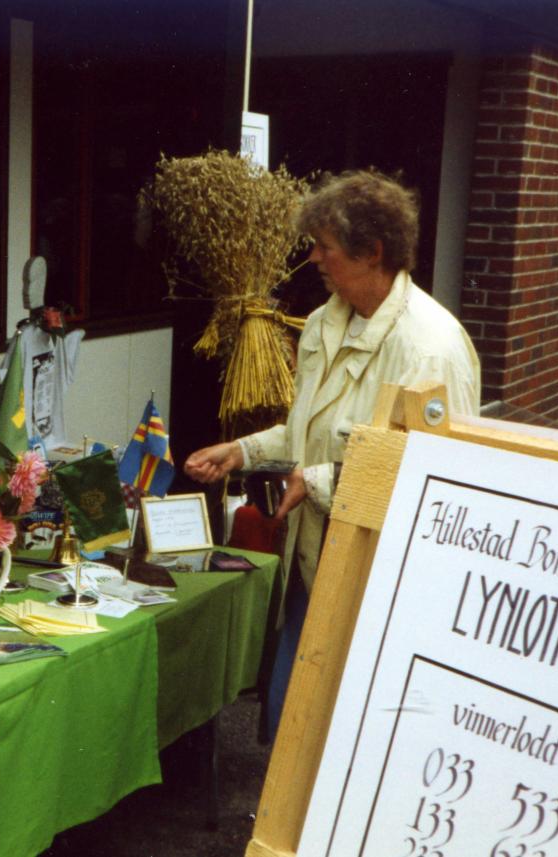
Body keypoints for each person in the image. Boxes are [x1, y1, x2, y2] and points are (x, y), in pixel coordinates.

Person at [184, 170, 480, 739]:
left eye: (325, 246)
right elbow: (309, 432)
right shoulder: (324, 322)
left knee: (350, 735)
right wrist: (242, 451)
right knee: (294, 716)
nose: (313, 257)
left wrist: (319, 481)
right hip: (312, 562)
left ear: (372, 253)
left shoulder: (430, 347)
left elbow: (438, 478)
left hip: (379, 583)